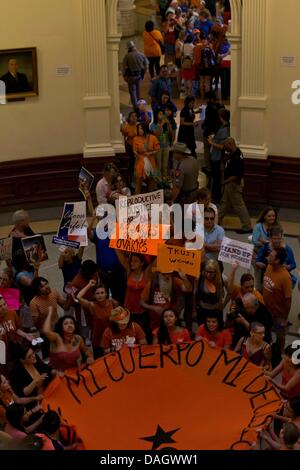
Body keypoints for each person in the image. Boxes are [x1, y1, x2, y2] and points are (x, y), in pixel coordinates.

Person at [218, 138, 252, 234]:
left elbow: (236, 175)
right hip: (230, 184)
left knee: (239, 205)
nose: (224, 148)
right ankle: (216, 221)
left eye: (225, 146)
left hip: (233, 184)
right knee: (224, 203)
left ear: (230, 144)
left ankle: (247, 226)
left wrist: (223, 183)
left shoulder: (237, 157)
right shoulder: (234, 153)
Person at [43, 307, 93, 372]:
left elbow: (86, 351)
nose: (69, 325)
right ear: (61, 327)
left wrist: (90, 356)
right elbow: (46, 331)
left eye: (71, 323)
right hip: (57, 375)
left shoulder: (78, 338)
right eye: (66, 323)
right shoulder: (57, 338)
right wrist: (50, 313)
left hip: (74, 373)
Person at [77, 281, 118, 359]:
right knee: (100, 362)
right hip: (98, 339)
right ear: (94, 295)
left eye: (102, 292)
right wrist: (89, 285)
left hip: (111, 338)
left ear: (106, 293)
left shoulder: (113, 303)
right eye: (97, 293)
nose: (100, 295)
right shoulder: (92, 305)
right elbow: (79, 297)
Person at [263, 247, 292, 353]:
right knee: (266, 330)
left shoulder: (285, 278)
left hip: (278, 315)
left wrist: (284, 318)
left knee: (280, 335)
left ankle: (279, 354)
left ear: (277, 260)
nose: (268, 256)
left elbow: (288, 300)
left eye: (271, 256)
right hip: (266, 310)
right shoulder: (269, 267)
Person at [208, 108, 230, 203]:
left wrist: (211, 142)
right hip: (216, 156)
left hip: (218, 157)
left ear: (221, 117)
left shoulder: (224, 129)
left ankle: (216, 197)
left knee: (217, 178)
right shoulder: (224, 127)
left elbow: (222, 146)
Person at [132, 122, 160, 195]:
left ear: (145, 128)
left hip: (150, 160)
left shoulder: (152, 137)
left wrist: (150, 153)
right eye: (138, 129)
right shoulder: (136, 138)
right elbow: (134, 150)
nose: (139, 130)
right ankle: (137, 197)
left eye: (141, 129)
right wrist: (136, 153)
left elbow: (157, 149)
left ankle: (150, 198)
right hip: (140, 160)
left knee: (151, 180)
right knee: (138, 180)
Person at [196, 259, 224, 324]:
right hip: (202, 310)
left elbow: (222, 296)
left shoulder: (221, 280)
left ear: (216, 272)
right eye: (206, 271)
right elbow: (195, 293)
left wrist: (223, 305)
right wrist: (194, 310)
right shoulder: (199, 278)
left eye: (211, 272)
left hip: (215, 310)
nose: (208, 274)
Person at [122, 41, 148, 110]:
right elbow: (146, 65)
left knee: (133, 93)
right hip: (139, 76)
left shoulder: (127, 56)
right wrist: (144, 73)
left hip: (131, 76)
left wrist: (124, 76)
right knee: (138, 92)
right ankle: (140, 106)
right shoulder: (141, 54)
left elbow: (124, 67)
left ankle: (135, 108)